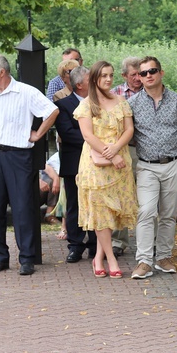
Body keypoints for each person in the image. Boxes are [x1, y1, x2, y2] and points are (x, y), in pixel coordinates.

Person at [0, 54, 59, 276]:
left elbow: (52, 111)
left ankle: (27, 258)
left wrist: (38, 134)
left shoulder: (26, 92)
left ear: (2, 72)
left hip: (19, 155)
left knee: (22, 207)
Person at [129, 57, 177, 279]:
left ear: (161, 73)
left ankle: (163, 257)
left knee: (168, 214)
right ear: (139, 76)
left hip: (174, 163)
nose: (148, 76)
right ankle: (144, 260)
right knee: (146, 211)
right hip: (147, 166)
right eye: (144, 73)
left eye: (152, 71)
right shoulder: (133, 104)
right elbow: (128, 135)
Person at [74, 61, 137, 279]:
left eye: (110, 75)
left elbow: (129, 129)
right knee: (101, 212)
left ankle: (98, 257)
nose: (108, 80)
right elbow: (88, 136)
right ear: (93, 79)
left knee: (112, 213)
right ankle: (110, 258)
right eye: (103, 76)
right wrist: (110, 153)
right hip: (95, 164)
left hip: (119, 163)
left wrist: (117, 149)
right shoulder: (85, 105)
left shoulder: (121, 101)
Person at [54, 65, 97, 264]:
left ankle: (96, 246)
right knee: (75, 205)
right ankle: (76, 245)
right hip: (75, 162)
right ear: (79, 84)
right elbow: (67, 133)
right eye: (91, 79)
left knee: (97, 203)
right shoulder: (63, 105)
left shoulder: (100, 103)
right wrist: (95, 140)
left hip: (98, 161)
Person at [109, 56, 142, 257]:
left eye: (141, 73)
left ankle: (147, 241)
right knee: (120, 195)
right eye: (134, 74)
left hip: (145, 150)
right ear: (124, 76)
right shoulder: (115, 95)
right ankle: (118, 241)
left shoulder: (150, 92)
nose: (139, 78)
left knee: (145, 196)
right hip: (123, 150)